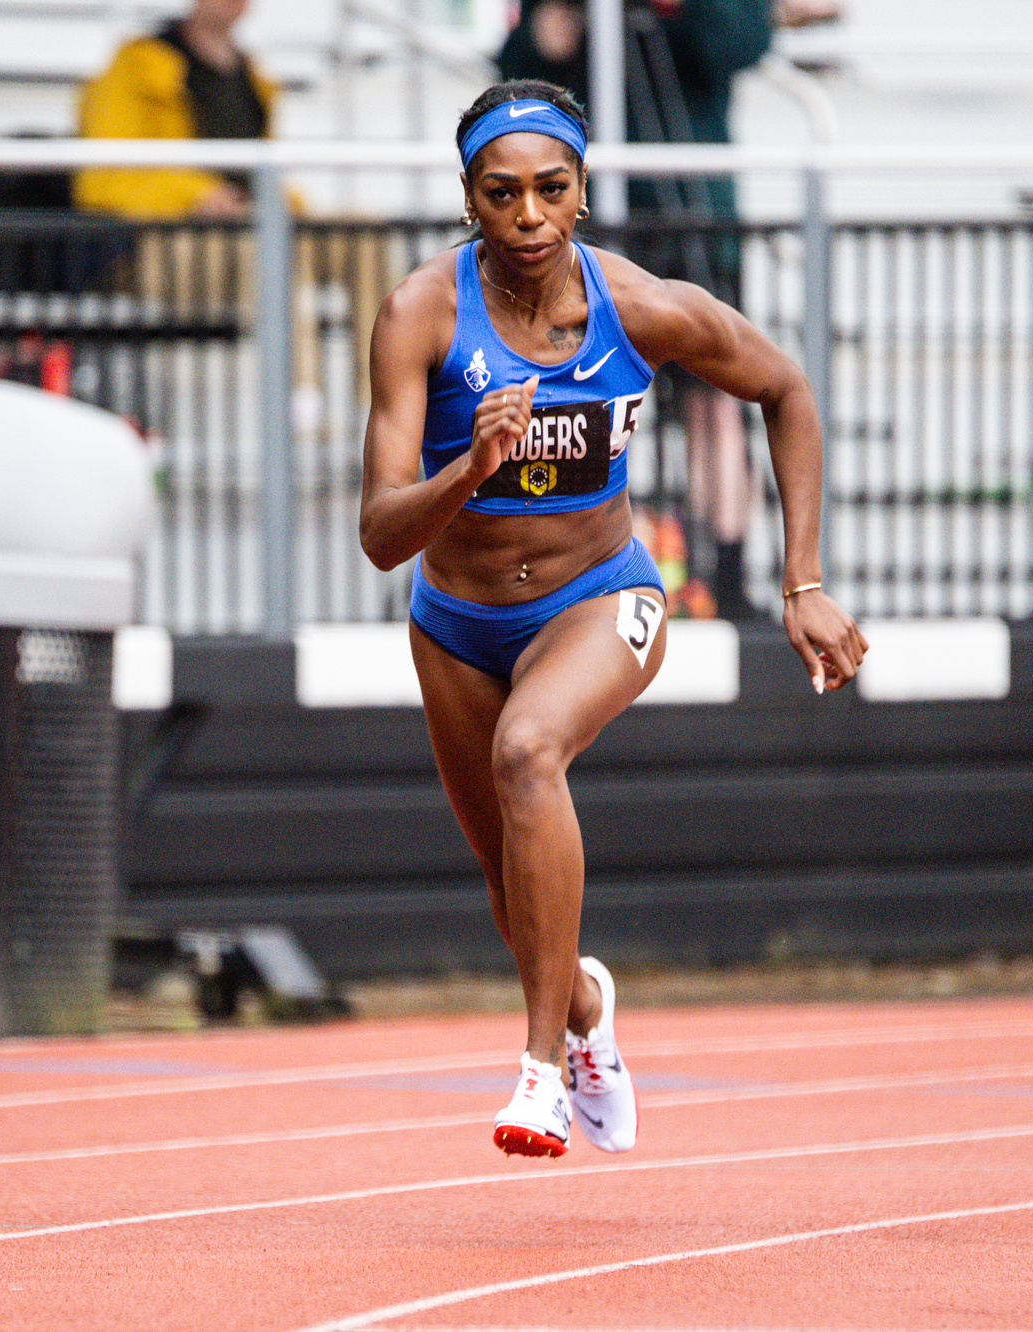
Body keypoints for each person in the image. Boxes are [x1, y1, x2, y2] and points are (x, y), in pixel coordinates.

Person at [358, 80, 864, 1157]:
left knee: (529, 751)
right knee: (511, 895)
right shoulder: (420, 314)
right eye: (502, 195)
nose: (529, 217)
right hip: (452, 620)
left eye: (551, 190)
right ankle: (584, 1010)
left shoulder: (637, 306)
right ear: (468, 201)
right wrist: (471, 469)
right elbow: (378, 531)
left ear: (582, 192)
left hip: (600, 597)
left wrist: (801, 581)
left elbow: (784, 389)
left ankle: (537, 1073)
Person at [498, 0, 778, 619]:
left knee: (717, 403)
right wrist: (549, 43)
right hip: (591, 233)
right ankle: (556, 573)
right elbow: (512, 79)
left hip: (699, 220)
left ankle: (726, 576)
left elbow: (740, 40)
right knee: (568, 402)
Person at [73, 0, 278, 219]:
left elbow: (265, 175)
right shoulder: (135, 67)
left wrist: (287, 205)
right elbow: (104, 180)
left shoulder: (255, 81)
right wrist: (197, 196)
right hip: (165, 232)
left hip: (242, 228)